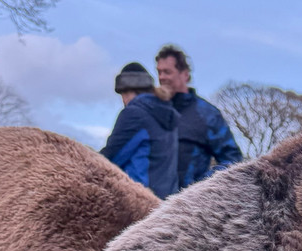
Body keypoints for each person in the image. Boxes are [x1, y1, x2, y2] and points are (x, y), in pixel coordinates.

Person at [155, 44, 242, 189]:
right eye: (159, 72)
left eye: (167, 72)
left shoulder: (207, 115)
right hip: (148, 199)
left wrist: (202, 187)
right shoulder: (153, 111)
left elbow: (233, 161)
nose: (161, 77)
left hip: (186, 200)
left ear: (185, 74)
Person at [100, 62, 180, 199]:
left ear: (127, 91)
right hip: (167, 202)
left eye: (122, 94)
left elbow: (109, 160)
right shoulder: (169, 115)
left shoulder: (134, 113)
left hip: (138, 201)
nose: (123, 101)